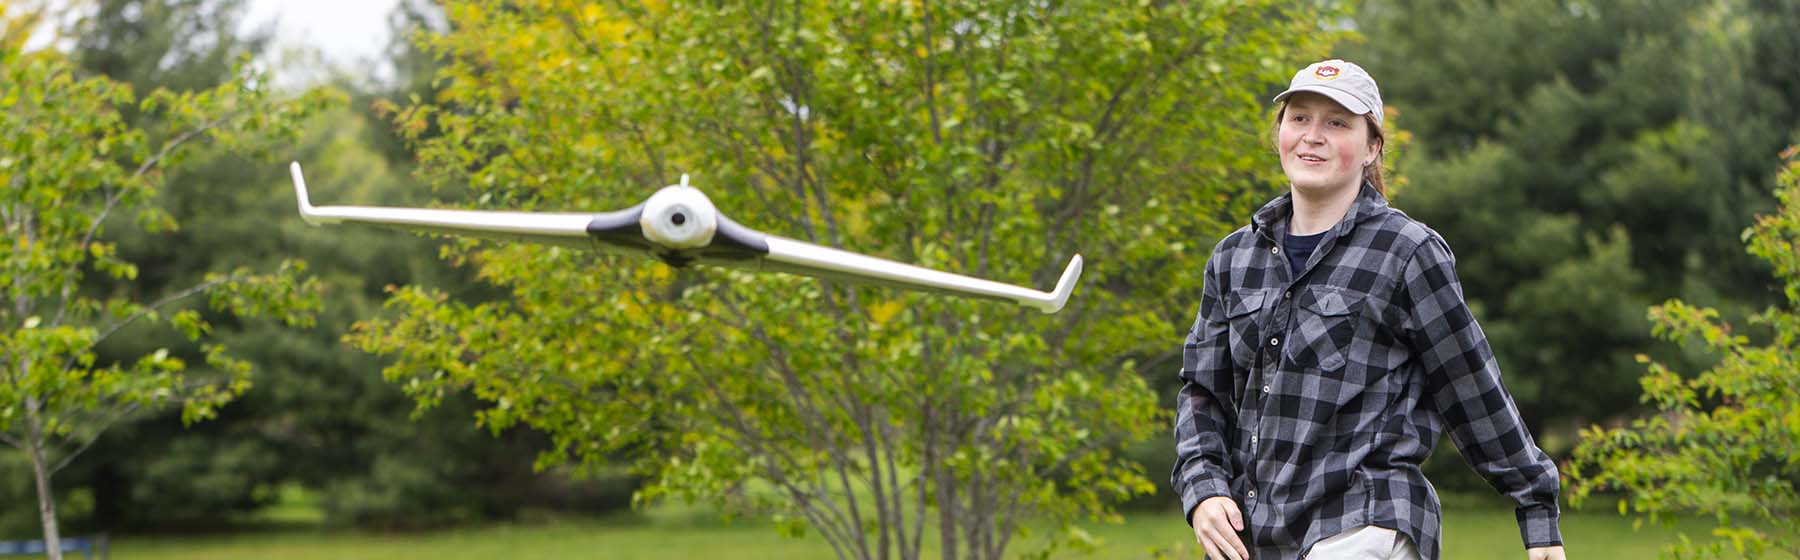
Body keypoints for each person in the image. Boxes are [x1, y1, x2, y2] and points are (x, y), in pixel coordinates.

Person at [1170, 59, 1569, 560]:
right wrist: (1204, 487)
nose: (1312, 136)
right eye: (1299, 119)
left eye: (1336, 123)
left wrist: (1536, 506)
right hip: (1253, 534)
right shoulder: (1232, 258)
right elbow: (1202, 392)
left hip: (1365, 522)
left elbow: (1470, 385)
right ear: (1279, 134)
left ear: (1371, 147)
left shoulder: (1407, 253)